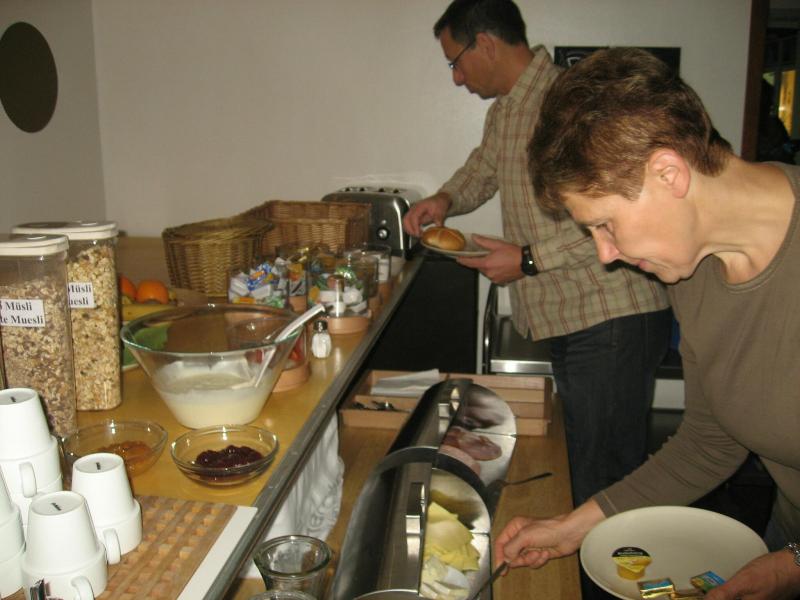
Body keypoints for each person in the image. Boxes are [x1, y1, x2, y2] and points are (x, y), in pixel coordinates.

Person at [495, 46, 800, 600]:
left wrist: (793, 567)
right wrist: (571, 528)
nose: (605, 254)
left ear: (668, 173)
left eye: (605, 225)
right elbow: (710, 441)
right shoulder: (692, 272)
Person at [404, 0, 671, 508]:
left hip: (611, 315)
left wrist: (528, 260)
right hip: (572, 317)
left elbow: (624, 210)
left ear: (486, 43)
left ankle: (612, 562)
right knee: (587, 467)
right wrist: (443, 199)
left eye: (456, 61)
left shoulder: (573, 101)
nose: (456, 77)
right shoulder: (507, 110)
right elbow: (483, 170)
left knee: (606, 481)